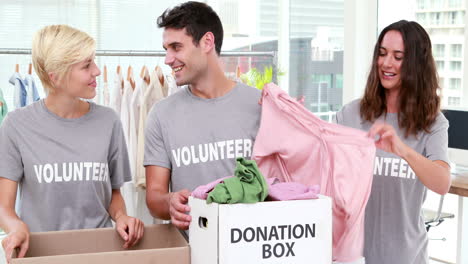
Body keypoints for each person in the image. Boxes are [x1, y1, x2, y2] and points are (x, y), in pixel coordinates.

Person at [0, 25, 144, 263]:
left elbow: (114, 193)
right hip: (40, 256)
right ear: (55, 75)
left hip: (100, 254)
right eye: (86, 65)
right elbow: (3, 207)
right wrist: (15, 226)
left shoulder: (109, 121)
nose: (97, 71)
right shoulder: (16, 125)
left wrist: (121, 217)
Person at [335, 20, 451, 264]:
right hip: (355, 256)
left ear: (416, 65)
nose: (386, 63)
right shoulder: (352, 114)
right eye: (382, 53)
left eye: (398, 57)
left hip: (406, 257)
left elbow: (442, 183)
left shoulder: (432, 123)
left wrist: (402, 149)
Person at [144, 1, 261, 230]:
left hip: (250, 246)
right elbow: (154, 197)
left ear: (207, 42)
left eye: (176, 47)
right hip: (192, 251)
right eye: (166, 50)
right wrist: (170, 202)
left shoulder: (260, 105)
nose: (168, 59)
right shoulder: (161, 115)